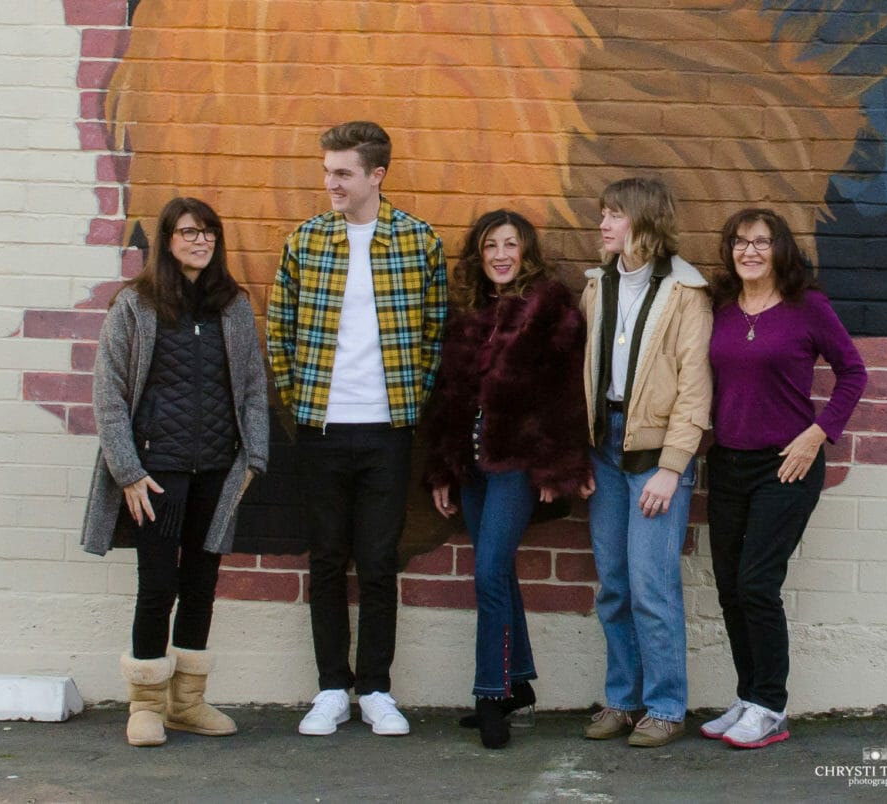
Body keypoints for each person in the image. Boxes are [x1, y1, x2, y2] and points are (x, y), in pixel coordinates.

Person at [266, 121, 448, 738]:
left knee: (376, 561)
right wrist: (299, 403)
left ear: (377, 175)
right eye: (327, 172)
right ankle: (329, 689)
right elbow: (279, 330)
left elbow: (434, 334)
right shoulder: (306, 241)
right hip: (321, 430)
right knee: (325, 561)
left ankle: (374, 688)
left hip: (387, 432)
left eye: (342, 173)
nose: (330, 183)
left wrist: (410, 404)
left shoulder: (418, 242)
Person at [81, 197, 270, 747]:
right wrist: (128, 471)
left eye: (209, 232)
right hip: (156, 475)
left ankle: (187, 703)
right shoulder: (135, 306)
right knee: (158, 585)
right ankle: (145, 705)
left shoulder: (232, 306)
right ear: (167, 240)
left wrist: (254, 458)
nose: (200, 241)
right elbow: (109, 395)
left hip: (217, 472)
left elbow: (253, 388)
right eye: (189, 232)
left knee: (202, 585)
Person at [423, 210, 591, 749]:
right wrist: (444, 468)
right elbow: (449, 397)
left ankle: (489, 696)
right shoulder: (470, 312)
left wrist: (556, 464)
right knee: (497, 571)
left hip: (516, 465)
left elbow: (565, 391)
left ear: (526, 252)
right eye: (490, 245)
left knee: (491, 571)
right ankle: (516, 685)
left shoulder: (549, 308)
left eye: (510, 244)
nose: (499, 254)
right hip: (471, 465)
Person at [702, 208, 866, 748]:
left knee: (756, 583)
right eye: (739, 242)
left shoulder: (807, 308)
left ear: (780, 250)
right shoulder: (721, 309)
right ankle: (749, 696)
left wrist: (818, 433)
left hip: (787, 464)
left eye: (761, 242)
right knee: (729, 588)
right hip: (726, 463)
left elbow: (853, 372)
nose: (749, 251)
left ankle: (771, 706)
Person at [580, 177, 712, 748]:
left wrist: (672, 465)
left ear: (644, 221)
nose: (604, 225)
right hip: (603, 448)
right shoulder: (596, 286)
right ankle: (623, 700)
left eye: (614, 215)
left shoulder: (686, 293)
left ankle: (665, 706)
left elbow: (694, 390)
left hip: (656, 454)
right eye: (603, 214)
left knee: (651, 585)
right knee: (613, 584)